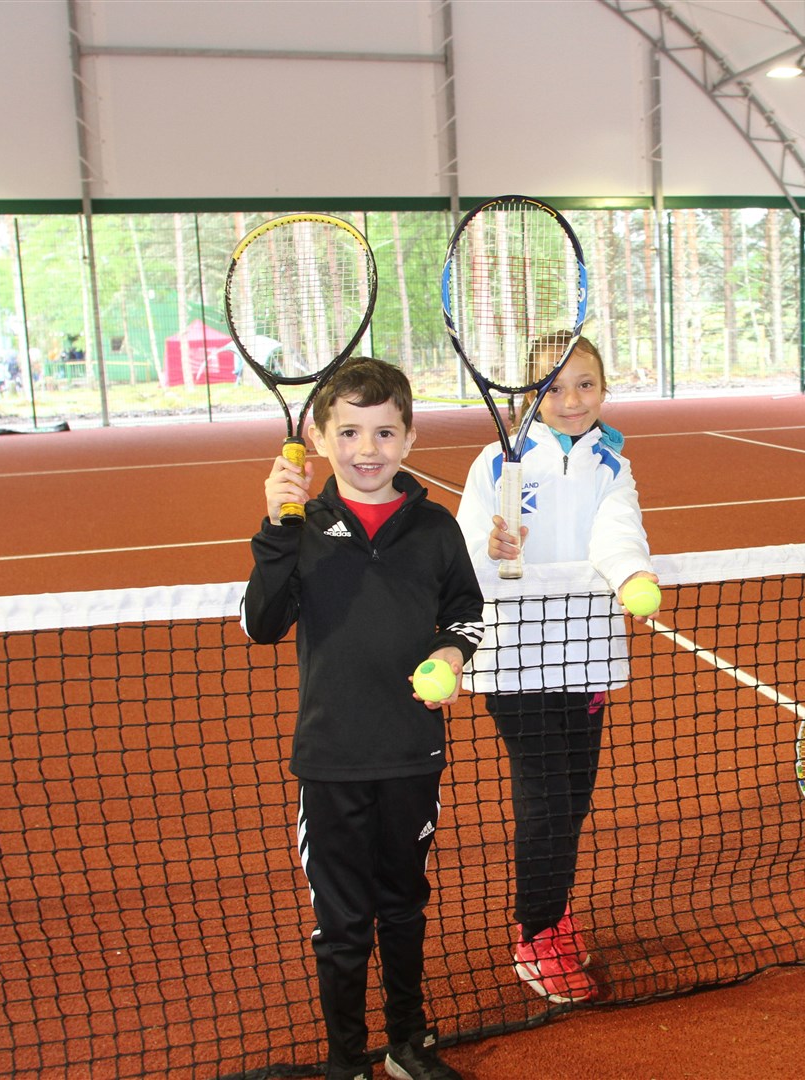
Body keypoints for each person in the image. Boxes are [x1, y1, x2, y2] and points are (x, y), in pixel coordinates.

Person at [242, 357, 484, 1080]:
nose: (367, 449)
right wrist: (278, 524)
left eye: (384, 431)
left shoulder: (437, 528)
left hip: (412, 754)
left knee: (405, 905)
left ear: (408, 438)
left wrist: (450, 658)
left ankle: (408, 1044)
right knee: (343, 924)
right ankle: (347, 1061)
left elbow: (465, 615)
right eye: (349, 431)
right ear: (318, 439)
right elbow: (262, 622)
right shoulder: (302, 527)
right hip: (333, 761)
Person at [456, 333, 658, 1005]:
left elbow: (617, 527)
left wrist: (631, 573)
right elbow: (461, 561)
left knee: (571, 800)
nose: (572, 401)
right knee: (544, 801)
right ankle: (536, 933)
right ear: (530, 394)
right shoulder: (495, 461)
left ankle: (555, 907)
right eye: (555, 386)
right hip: (516, 661)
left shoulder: (611, 462)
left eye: (586, 384)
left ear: (605, 389)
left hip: (588, 654)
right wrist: (490, 548)